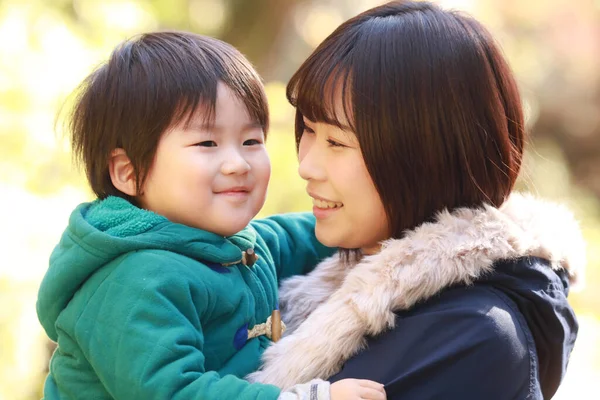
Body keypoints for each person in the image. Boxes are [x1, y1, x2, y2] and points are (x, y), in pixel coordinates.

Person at [247, 1, 585, 399]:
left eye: (337, 141)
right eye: (307, 128)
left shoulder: (470, 339)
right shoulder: (311, 267)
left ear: (429, 156)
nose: (306, 165)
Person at [36, 31, 387, 400]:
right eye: (207, 143)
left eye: (251, 141)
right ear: (129, 172)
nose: (238, 163)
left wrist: (386, 217)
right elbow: (175, 391)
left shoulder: (227, 244)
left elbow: (300, 236)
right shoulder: (132, 281)